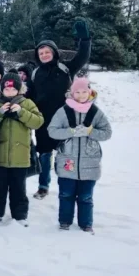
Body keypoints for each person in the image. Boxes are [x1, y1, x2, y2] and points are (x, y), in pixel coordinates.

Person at [31, 19, 92, 200]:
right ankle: (43, 186)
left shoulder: (65, 68)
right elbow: (28, 94)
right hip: (43, 121)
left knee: (66, 155)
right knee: (44, 155)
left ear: (54, 53)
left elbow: (82, 57)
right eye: (41, 52)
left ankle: (68, 185)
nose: (44, 55)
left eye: (47, 51)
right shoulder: (35, 73)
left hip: (65, 120)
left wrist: (85, 39)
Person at [47, 77, 112, 233]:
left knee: (86, 197)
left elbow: (107, 133)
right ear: (72, 93)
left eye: (84, 91)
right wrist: (70, 132)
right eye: (78, 92)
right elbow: (52, 130)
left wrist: (91, 132)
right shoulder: (63, 111)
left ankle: (86, 223)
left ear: (89, 92)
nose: (81, 95)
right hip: (67, 161)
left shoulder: (96, 112)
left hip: (90, 164)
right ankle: (64, 221)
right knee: (66, 194)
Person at [0, 73, 44, 226]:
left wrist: (21, 112)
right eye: (7, 89)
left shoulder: (27, 103)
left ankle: (19, 215)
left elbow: (38, 122)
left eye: (13, 89)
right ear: (1, 90)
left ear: (19, 89)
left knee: (18, 189)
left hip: (20, 157)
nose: (10, 91)